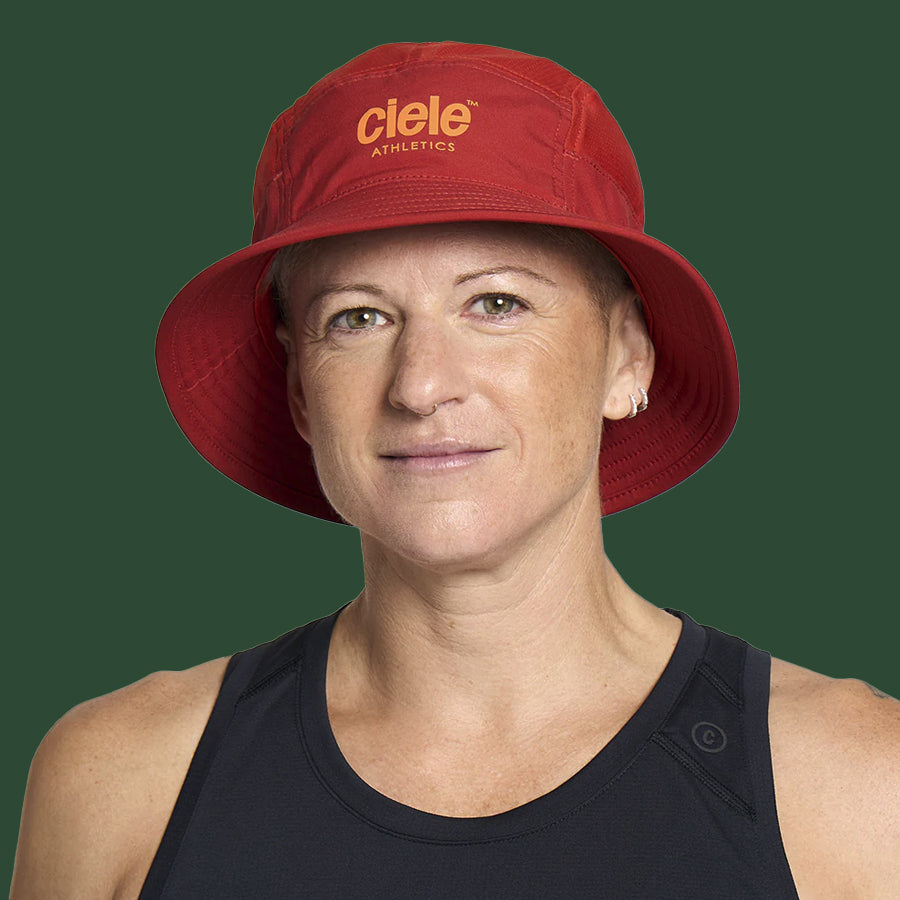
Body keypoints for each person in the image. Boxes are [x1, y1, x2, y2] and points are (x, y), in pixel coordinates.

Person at [11, 41, 899, 899]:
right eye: (358, 318)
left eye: (496, 302)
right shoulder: (121, 785)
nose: (421, 385)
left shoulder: (860, 788)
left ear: (628, 353)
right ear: (298, 389)